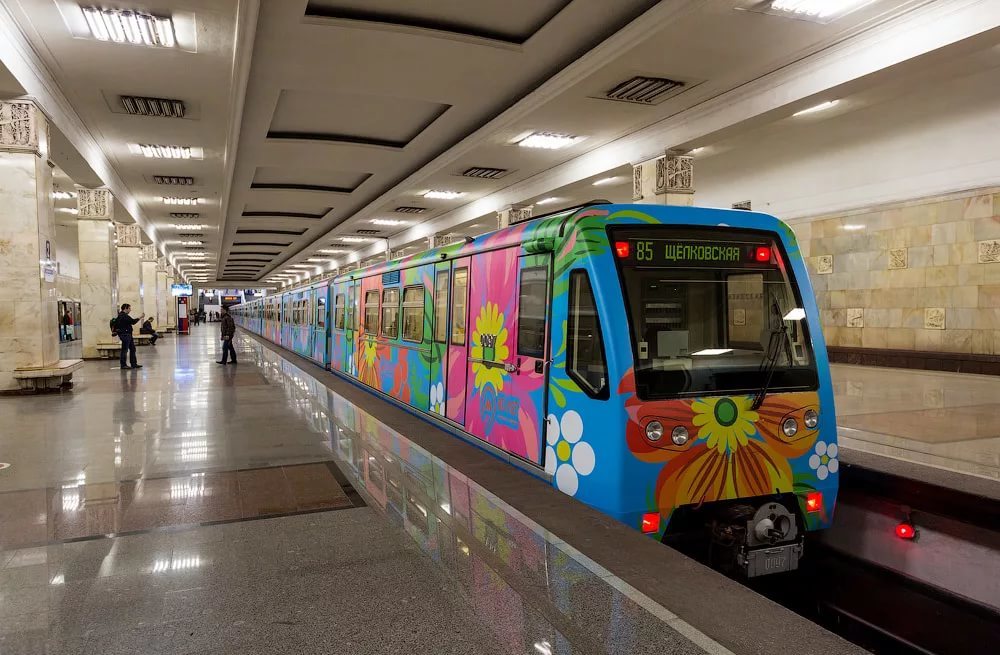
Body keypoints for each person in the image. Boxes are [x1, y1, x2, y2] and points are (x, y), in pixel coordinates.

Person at [114, 303, 144, 369]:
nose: (130, 310)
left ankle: (134, 364)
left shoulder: (123, 315)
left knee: (132, 349)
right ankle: (123, 365)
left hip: (128, 335)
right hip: (125, 335)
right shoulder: (123, 315)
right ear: (125, 308)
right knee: (124, 350)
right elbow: (133, 321)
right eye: (129, 308)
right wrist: (140, 317)